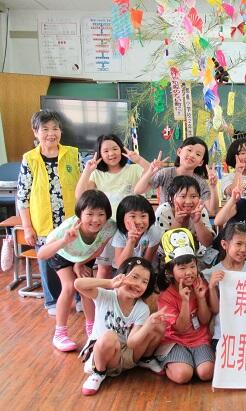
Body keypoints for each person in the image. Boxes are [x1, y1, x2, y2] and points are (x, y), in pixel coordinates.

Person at [17, 109, 83, 315]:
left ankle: (80, 297)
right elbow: (22, 196)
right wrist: (27, 227)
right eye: (45, 129)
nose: (51, 133)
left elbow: (84, 185)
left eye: (55, 128)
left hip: (71, 222)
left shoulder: (73, 154)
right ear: (35, 132)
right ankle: (53, 301)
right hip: (43, 223)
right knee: (47, 263)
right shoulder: (30, 159)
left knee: (75, 259)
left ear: (61, 131)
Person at [37, 190, 117, 351]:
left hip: (85, 256)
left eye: (101, 214)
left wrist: (80, 264)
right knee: (69, 286)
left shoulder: (110, 226)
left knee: (87, 287)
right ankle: (60, 334)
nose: (96, 219)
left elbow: (98, 249)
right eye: (90, 214)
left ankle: (92, 329)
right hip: (61, 253)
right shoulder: (68, 228)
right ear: (80, 214)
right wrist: (64, 241)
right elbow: (42, 254)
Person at [75, 257, 166, 395]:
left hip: (126, 355)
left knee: (158, 327)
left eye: (144, 281)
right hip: (102, 353)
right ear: (122, 275)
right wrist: (110, 282)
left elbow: (132, 342)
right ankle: (98, 373)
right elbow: (78, 284)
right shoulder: (105, 296)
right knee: (109, 336)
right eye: (134, 277)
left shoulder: (142, 308)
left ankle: (145, 359)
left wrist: (148, 325)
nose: (138, 284)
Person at [75, 134, 150, 279]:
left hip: (129, 229)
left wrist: (139, 160)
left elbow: (153, 174)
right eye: (106, 151)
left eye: (115, 149)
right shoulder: (96, 174)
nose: (111, 153)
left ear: (121, 149)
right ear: (100, 154)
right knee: (104, 269)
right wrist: (87, 171)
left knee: (130, 269)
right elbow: (80, 195)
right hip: (107, 228)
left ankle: (124, 294)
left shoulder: (134, 169)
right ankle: (103, 295)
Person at [156, 228, 216, 384]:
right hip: (175, 341)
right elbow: (181, 328)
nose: (189, 272)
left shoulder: (201, 285)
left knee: (206, 373)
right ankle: (165, 363)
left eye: (192, 266)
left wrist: (201, 298)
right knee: (183, 375)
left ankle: (191, 362)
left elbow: (204, 321)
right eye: (182, 268)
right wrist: (184, 301)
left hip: (200, 339)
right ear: (170, 272)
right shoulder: (166, 297)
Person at [202, 223, 246, 350]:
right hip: (223, 335)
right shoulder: (214, 272)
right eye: (238, 244)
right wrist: (212, 287)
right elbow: (215, 309)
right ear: (225, 244)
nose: (243, 249)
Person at [134, 136, 218, 214]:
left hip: (189, 223)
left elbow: (213, 210)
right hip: (165, 221)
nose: (192, 155)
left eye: (198, 154)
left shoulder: (201, 182)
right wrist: (150, 171)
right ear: (179, 152)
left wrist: (213, 187)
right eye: (189, 150)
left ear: (201, 162)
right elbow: (138, 191)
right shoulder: (166, 173)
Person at [111, 195, 162, 269]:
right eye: (133, 216)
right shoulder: (120, 234)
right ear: (122, 217)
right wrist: (131, 241)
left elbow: (146, 264)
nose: (139, 221)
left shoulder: (154, 232)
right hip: (123, 271)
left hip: (146, 270)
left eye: (143, 216)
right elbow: (120, 265)